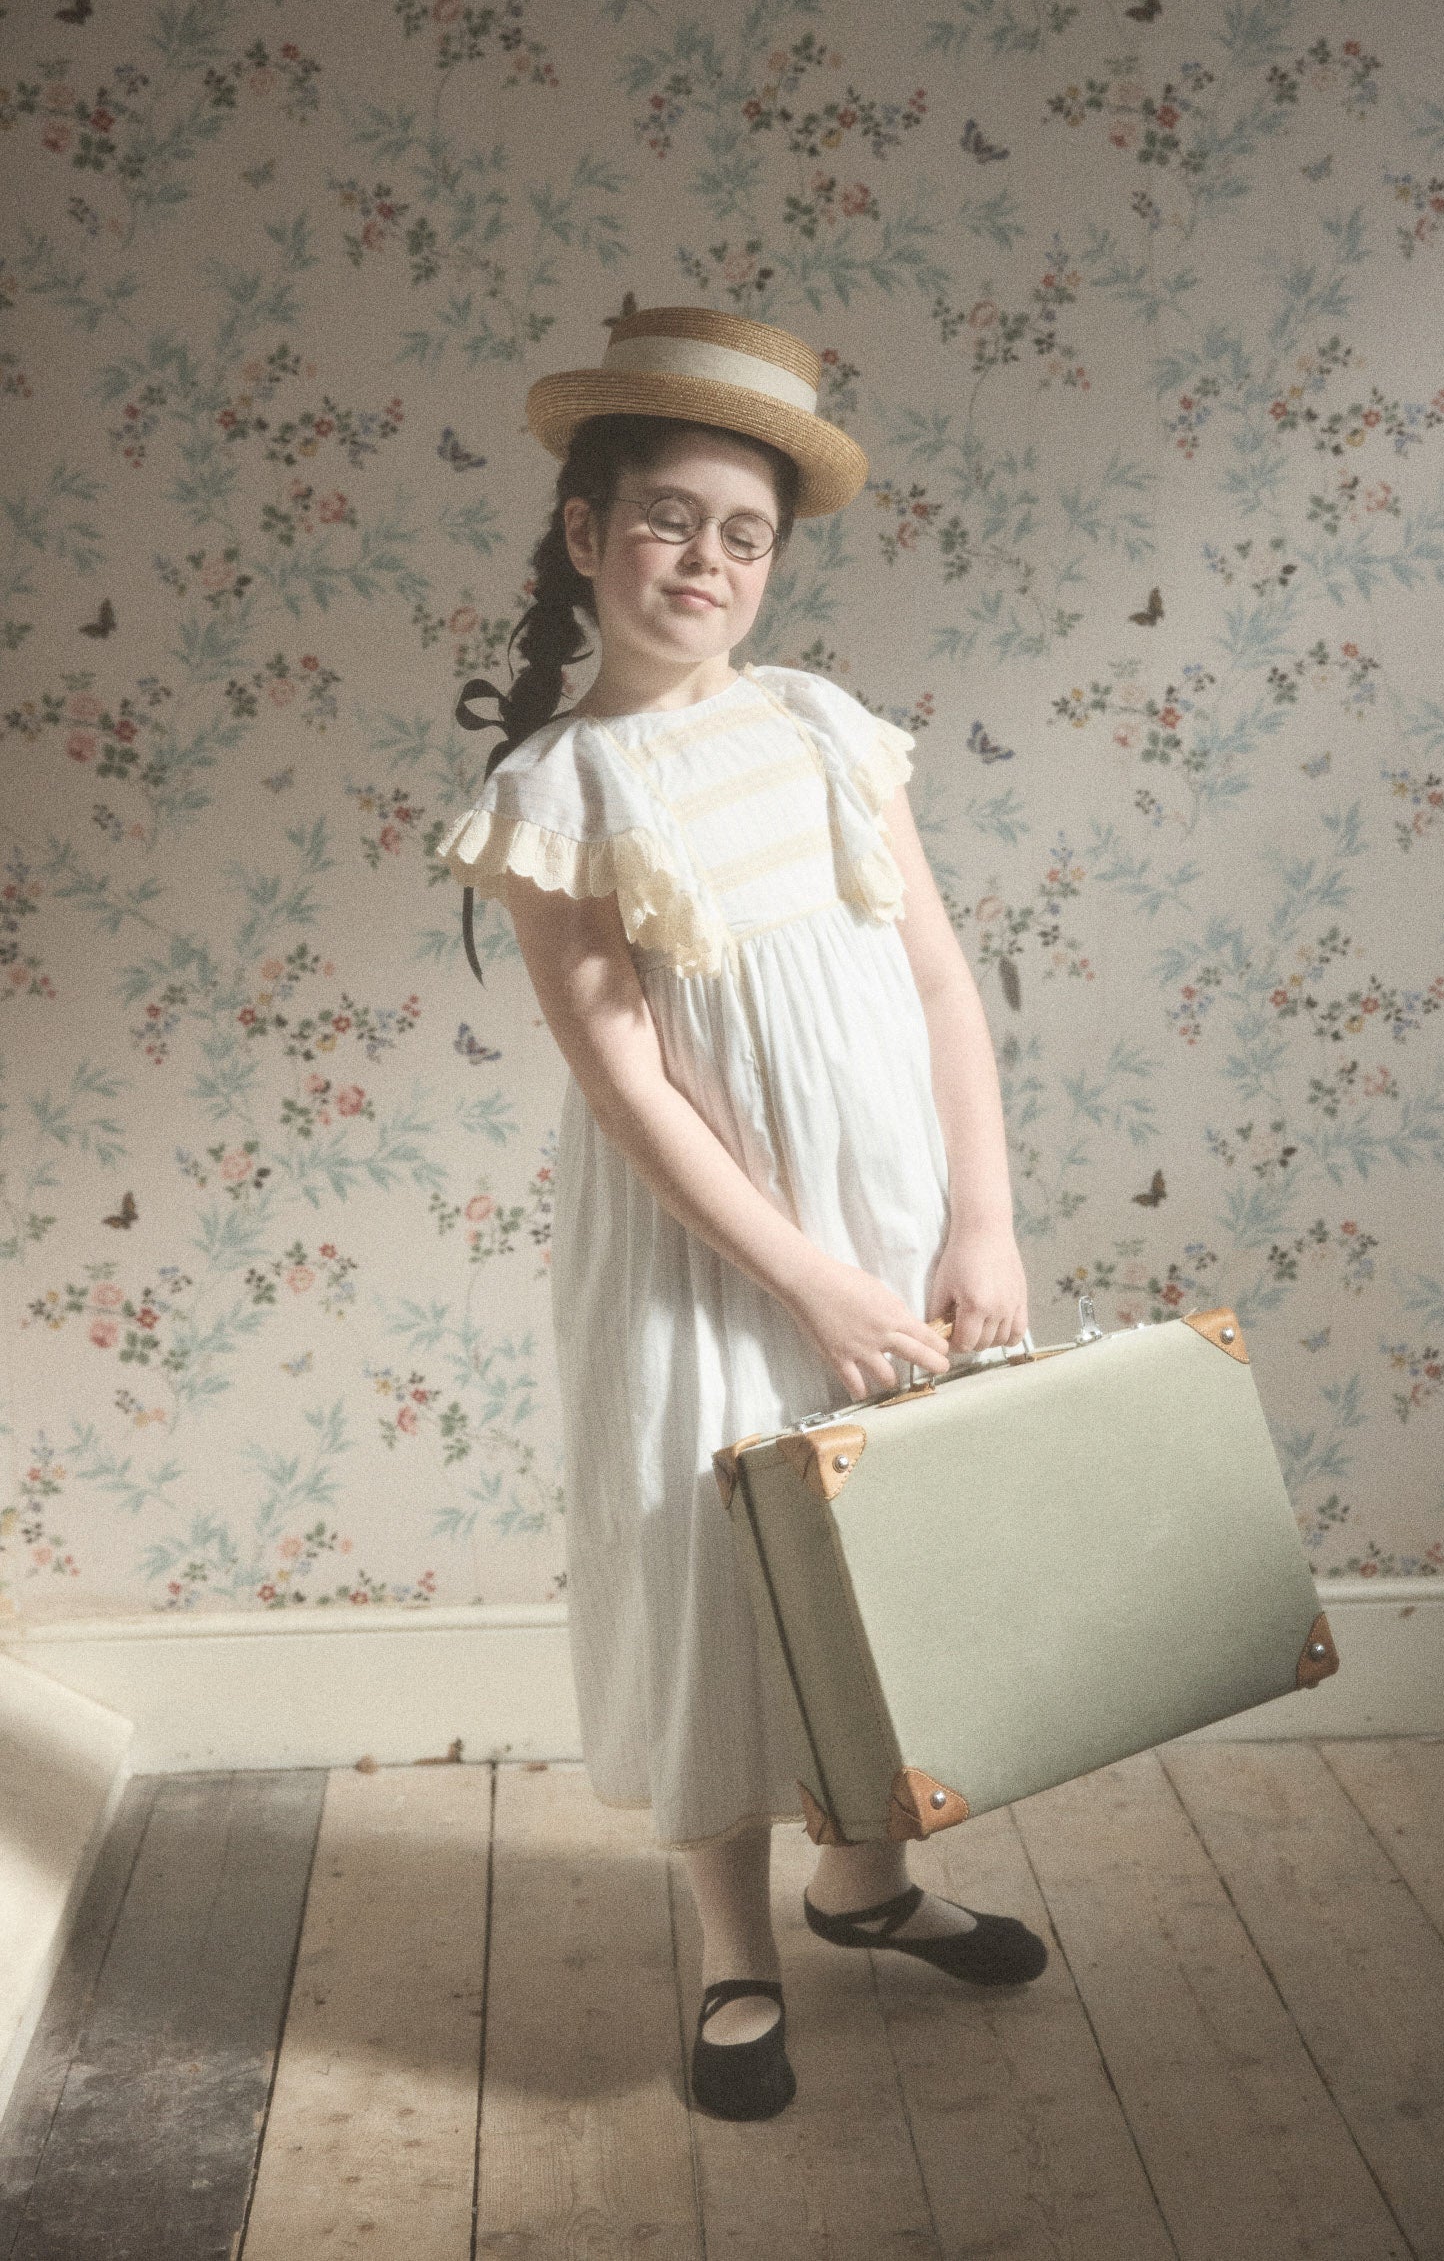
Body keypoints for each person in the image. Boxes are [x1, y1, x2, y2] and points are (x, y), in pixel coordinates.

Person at [436, 305, 1046, 2123]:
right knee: (709, 1561)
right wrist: (804, 1276)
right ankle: (732, 1950)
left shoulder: (828, 727)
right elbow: (628, 1078)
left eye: (741, 533)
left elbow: (938, 982)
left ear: (774, 562)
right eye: (663, 518)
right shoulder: (556, 794)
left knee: (876, 1560)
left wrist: (977, 1224)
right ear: (582, 532)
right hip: (706, 1248)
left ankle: (861, 1883)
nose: (700, 560)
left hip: (893, 1213)